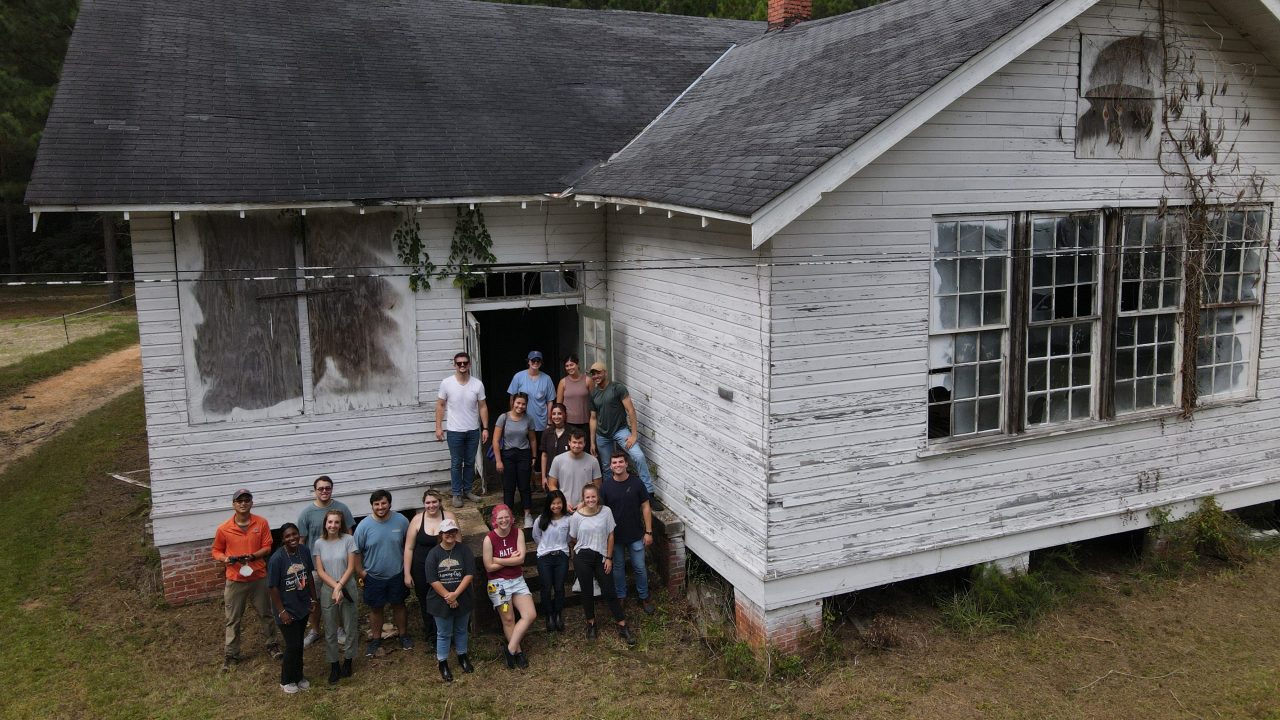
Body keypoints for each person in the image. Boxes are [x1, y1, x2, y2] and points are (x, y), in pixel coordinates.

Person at [211, 488, 279, 671]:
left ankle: (272, 644)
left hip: (258, 577)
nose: (243, 503)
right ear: (233, 504)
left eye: (247, 500)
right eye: (239, 500)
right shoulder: (224, 528)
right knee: (233, 619)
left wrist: (253, 556)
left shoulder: (261, 523)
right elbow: (216, 550)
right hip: (235, 579)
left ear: (251, 503)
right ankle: (231, 655)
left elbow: (268, 547)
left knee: (266, 613)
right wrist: (224, 559)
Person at [588, 361, 663, 511]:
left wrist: (634, 434)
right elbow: (593, 418)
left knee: (638, 456)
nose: (596, 376)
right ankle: (610, 496)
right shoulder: (594, 394)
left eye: (598, 372)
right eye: (593, 374)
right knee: (607, 467)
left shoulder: (617, 388)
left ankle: (649, 493)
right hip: (602, 435)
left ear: (605, 372)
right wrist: (592, 442)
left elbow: (631, 410)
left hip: (620, 431)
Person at [568, 485, 636, 645]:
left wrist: (609, 557)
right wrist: (583, 548)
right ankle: (591, 623)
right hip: (582, 557)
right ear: (583, 499)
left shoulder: (606, 511)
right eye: (587, 497)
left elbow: (611, 535)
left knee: (609, 590)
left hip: (601, 556)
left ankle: (622, 624)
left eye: (593, 497)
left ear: (597, 497)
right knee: (587, 591)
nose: (590, 500)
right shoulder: (576, 516)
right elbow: (573, 538)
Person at [296, 475, 355, 649]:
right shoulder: (307, 513)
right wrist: (302, 566)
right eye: (320, 488)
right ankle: (314, 631)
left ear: (332, 489)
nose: (324, 491)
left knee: (338, 599)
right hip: (316, 568)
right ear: (315, 490)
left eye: (327, 488)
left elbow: (349, 534)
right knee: (314, 601)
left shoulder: (342, 508)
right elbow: (301, 541)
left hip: (338, 566)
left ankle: (339, 630)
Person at [354, 489, 412, 657]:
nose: (380, 507)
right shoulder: (364, 526)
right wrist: (361, 572)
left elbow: (408, 546)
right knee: (376, 608)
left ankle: (403, 635)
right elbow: (356, 552)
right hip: (373, 576)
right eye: (376, 504)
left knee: (399, 605)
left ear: (390, 503)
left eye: (383, 503)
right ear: (372, 505)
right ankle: (376, 639)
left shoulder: (401, 521)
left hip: (397, 574)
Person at [600, 451, 656, 616]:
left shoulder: (637, 483)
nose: (618, 465)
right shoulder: (606, 486)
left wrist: (649, 531)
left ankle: (644, 596)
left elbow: (645, 507)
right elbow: (601, 510)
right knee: (618, 568)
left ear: (626, 464)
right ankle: (621, 596)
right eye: (614, 463)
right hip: (614, 537)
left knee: (639, 567)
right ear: (610, 466)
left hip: (636, 534)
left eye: (620, 462)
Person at [482, 504, 537, 669]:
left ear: (511, 518)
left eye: (507, 517)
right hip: (498, 584)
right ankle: (518, 653)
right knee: (508, 619)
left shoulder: (518, 532)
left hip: (517, 581)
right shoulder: (489, 539)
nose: (504, 520)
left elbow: (520, 560)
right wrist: (507, 561)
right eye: (500, 518)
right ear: (495, 521)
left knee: (530, 614)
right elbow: (489, 567)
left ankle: (510, 648)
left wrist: (498, 560)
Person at [424, 518, 477, 682]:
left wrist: (456, 595)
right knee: (444, 633)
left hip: (463, 597)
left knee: (462, 629)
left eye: (453, 531)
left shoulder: (464, 550)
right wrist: (448, 596)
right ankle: (443, 662)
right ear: (441, 534)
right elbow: (432, 579)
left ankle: (462, 655)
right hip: (440, 601)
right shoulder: (433, 554)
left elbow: (469, 574)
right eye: (447, 532)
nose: (450, 535)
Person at [267, 523, 318, 694]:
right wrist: (282, 611)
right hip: (286, 610)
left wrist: (313, 598)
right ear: (283, 539)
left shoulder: (303, 551)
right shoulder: (277, 559)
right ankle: (286, 680)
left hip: (302, 605)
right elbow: (273, 587)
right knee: (293, 645)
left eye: (294, 534)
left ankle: (298, 676)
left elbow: (308, 575)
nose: (292, 538)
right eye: (288, 536)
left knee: (298, 645)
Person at [436, 351, 489, 509]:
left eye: (465, 363)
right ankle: (456, 493)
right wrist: (438, 427)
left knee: (470, 462)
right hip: (454, 431)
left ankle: (467, 490)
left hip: (473, 430)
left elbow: (483, 406)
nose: (462, 365)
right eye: (459, 363)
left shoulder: (477, 384)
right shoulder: (447, 383)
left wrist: (485, 428)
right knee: (456, 463)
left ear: (469, 364)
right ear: (454, 365)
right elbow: (440, 405)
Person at [403, 490, 457, 646]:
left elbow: (458, 544)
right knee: (425, 600)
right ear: (423, 504)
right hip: (421, 568)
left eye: (434, 502)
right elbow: (409, 548)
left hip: (445, 568)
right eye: (428, 502)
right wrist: (407, 573)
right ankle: (432, 634)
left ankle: (448, 632)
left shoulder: (449, 517)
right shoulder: (417, 520)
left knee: (445, 598)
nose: (431, 505)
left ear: (440, 502)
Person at [312, 509, 359, 684]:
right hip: (327, 589)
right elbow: (320, 570)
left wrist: (339, 587)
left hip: (347, 586)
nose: (333, 525)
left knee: (350, 625)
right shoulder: (319, 543)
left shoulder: (348, 540)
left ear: (341, 524)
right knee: (330, 629)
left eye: (336, 522)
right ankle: (334, 664)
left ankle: (348, 660)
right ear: (325, 523)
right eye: (330, 522)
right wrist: (334, 587)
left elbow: (351, 568)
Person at [493, 392, 538, 529]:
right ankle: (508, 515)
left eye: (523, 404)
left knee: (524, 485)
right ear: (513, 402)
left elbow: (533, 439)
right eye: (518, 403)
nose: (520, 406)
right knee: (509, 487)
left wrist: (534, 456)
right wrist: (498, 460)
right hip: (508, 454)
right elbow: (495, 440)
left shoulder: (528, 419)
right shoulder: (504, 417)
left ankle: (527, 514)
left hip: (524, 454)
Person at [532, 490, 571, 632]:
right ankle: (549, 614)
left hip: (561, 556)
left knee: (559, 587)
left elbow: (568, 537)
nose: (556, 506)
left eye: (559, 503)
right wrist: (546, 547)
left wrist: (561, 547)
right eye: (553, 503)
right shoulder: (541, 519)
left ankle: (558, 613)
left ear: (563, 503)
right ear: (548, 504)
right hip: (544, 557)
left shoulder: (568, 519)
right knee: (546, 587)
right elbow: (536, 536)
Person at [546, 429, 601, 512]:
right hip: (564, 506)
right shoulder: (558, 460)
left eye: (580, 442)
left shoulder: (593, 461)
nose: (577, 445)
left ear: (584, 443)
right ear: (569, 442)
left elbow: (598, 486)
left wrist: (584, 503)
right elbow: (551, 485)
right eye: (574, 442)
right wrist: (563, 502)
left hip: (586, 506)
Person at [507, 350, 556, 432]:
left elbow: (550, 401)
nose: (536, 362)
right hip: (522, 419)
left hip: (541, 421)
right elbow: (512, 397)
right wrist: (512, 417)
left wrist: (549, 421)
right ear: (528, 361)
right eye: (533, 360)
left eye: (538, 360)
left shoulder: (547, 379)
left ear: (541, 363)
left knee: (541, 444)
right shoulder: (518, 376)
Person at [556, 354, 592, 435]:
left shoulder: (588, 380)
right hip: (568, 422)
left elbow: (594, 401)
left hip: (585, 422)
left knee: (584, 446)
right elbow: (559, 405)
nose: (569, 368)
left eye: (572, 365)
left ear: (577, 364)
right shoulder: (563, 382)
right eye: (567, 366)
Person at [539, 403, 572, 488]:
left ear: (565, 415)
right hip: (551, 475)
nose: (556, 417)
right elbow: (544, 455)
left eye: (559, 413)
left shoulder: (572, 432)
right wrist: (543, 477)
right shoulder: (547, 432)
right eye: (554, 414)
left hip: (568, 474)